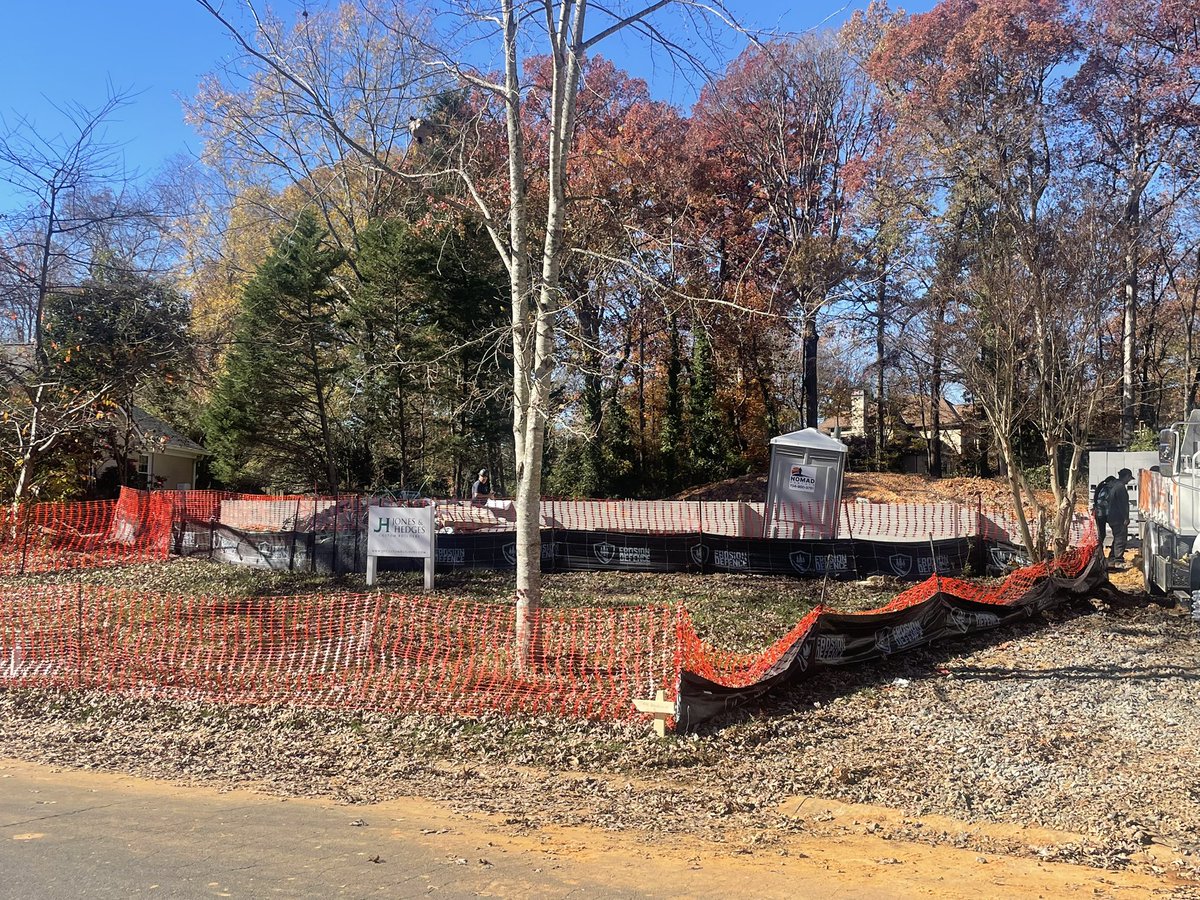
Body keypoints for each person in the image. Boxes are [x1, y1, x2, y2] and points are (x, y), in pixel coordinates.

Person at [1106, 468, 1134, 568]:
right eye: (1129, 478)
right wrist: (1126, 518)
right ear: (1126, 476)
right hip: (1119, 518)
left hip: (1112, 516)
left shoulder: (1114, 485)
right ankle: (1118, 560)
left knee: (1116, 538)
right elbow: (1123, 504)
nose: (1129, 481)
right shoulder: (1121, 487)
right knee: (1120, 539)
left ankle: (1112, 558)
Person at [1092, 475, 1116, 550]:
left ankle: (1099, 548)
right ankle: (1098, 549)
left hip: (1102, 514)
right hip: (1102, 514)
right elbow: (1100, 501)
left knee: (1102, 533)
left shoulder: (1104, 488)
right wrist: (1110, 504)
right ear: (1111, 482)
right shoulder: (1105, 489)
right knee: (1102, 533)